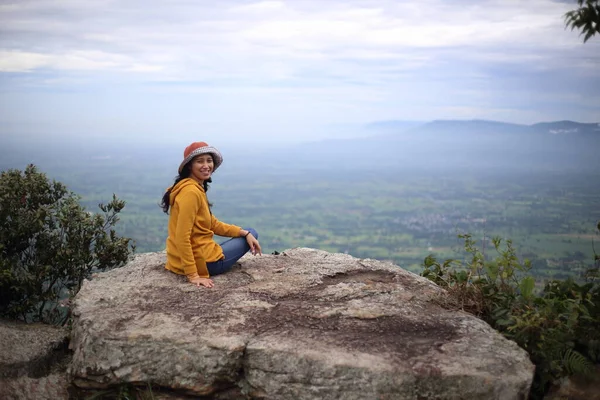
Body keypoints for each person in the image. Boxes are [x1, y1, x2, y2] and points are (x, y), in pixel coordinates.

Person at [160, 141, 261, 288]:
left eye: (209, 160)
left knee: (248, 232)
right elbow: (182, 236)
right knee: (253, 232)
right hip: (204, 263)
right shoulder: (191, 193)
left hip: (182, 260)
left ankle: (245, 233)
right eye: (200, 161)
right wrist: (193, 275)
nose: (206, 165)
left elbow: (213, 224)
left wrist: (243, 233)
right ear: (189, 166)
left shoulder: (189, 187)